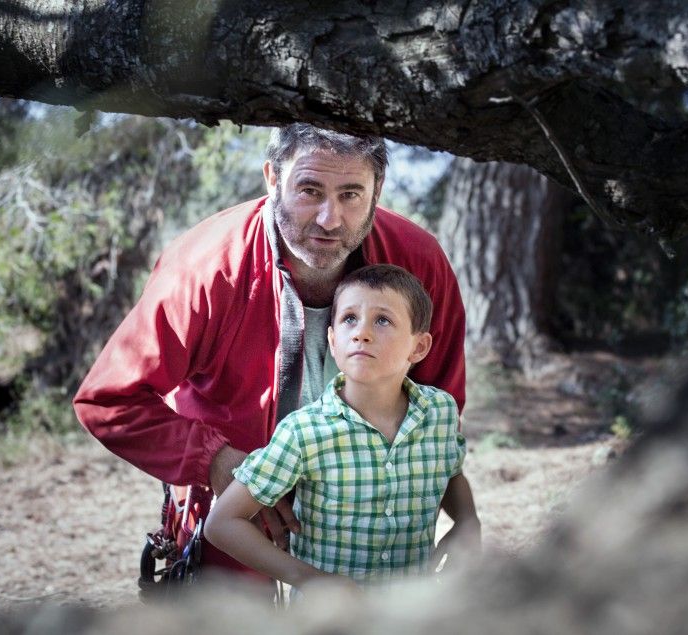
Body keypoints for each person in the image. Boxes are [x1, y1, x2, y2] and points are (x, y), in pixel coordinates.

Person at [73, 124, 467, 579]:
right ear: (272, 178)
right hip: (234, 535)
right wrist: (217, 462)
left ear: (377, 190)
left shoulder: (417, 261)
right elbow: (107, 401)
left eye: (351, 195)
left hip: (375, 548)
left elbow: (441, 403)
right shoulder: (204, 268)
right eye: (309, 190)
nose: (329, 218)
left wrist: (456, 513)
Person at [204, 265, 480, 590]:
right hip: (328, 621)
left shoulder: (439, 413)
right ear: (333, 341)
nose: (361, 332)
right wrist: (307, 579)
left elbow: (449, 471)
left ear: (418, 347)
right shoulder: (304, 431)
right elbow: (221, 523)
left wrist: (466, 521)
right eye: (349, 318)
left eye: (383, 320)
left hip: (413, 614)